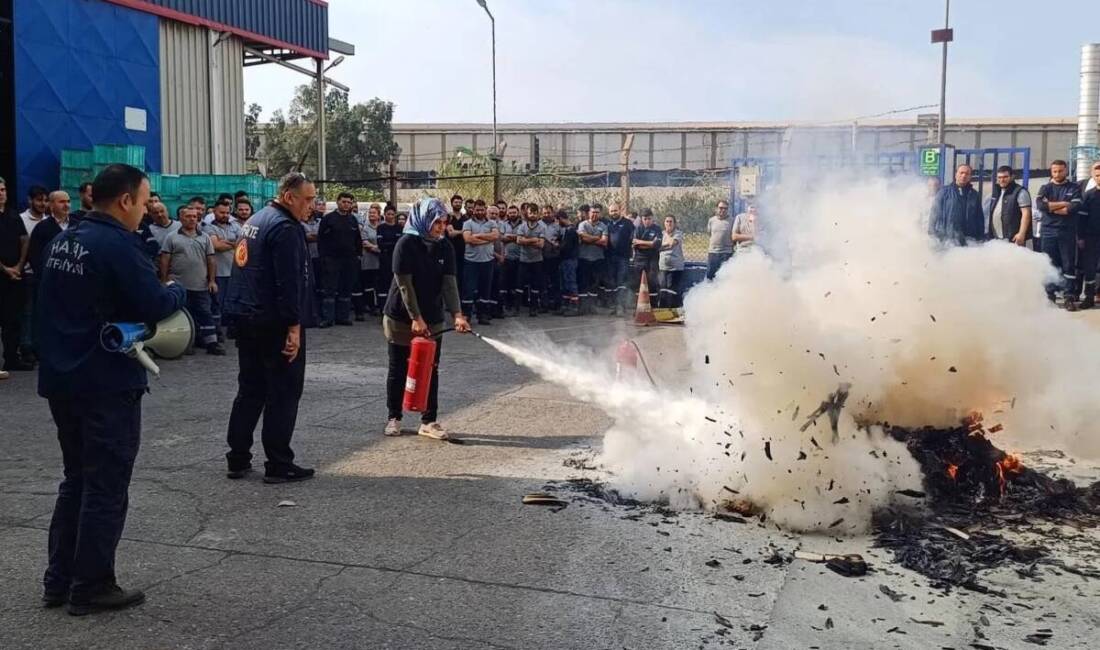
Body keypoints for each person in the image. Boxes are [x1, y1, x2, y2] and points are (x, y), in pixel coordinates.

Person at [36, 163, 187, 616]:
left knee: (76, 479)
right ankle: (92, 585)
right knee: (106, 485)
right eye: (143, 202)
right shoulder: (117, 244)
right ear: (124, 201)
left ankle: (58, 581)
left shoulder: (66, 239)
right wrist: (177, 289)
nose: (144, 212)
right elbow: (156, 304)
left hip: (63, 378)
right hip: (105, 381)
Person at [222, 172, 317, 483]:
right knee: (283, 392)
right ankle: (278, 462)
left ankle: (237, 457)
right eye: (307, 199)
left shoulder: (258, 219)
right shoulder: (286, 229)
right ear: (289, 197)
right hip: (273, 323)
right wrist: (294, 327)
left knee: (250, 390)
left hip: (247, 319)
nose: (311, 206)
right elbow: (289, 283)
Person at [382, 198, 471, 439]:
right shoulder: (405, 244)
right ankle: (394, 417)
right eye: (436, 222)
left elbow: (449, 285)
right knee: (398, 367)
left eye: (444, 222)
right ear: (424, 220)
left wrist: (457, 315)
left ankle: (429, 421)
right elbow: (404, 286)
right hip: (401, 316)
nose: (441, 227)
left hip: (432, 316)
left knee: (431, 368)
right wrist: (416, 318)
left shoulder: (445, 247)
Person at [159, 207, 224, 355]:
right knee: (183, 316)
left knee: (205, 313)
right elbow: (164, 259)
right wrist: (164, 279)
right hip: (178, 286)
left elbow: (211, 260)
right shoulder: (171, 237)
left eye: (195, 216)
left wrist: (212, 281)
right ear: (181, 219)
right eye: (188, 216)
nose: (192, 219)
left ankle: (212, 343)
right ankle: (187, 344)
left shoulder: (205, 237)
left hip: (200, 285)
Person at [1036, 160, 1084, 308]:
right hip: (1048, 232)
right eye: (1054, 171)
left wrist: (1051, 207)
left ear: (1066, 171)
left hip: (1067, 232)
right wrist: (1064, 203)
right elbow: (1040, 205)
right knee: (1050, 264)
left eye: (1060, 171)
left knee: (1068, 264)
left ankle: (1069, 296)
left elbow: (1073, 207)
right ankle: (1050, 295)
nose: (1057, 174)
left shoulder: (1074, 188)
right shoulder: (1045, 188)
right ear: (1051, 171)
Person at [0, 176, 32, 372]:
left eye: (3, 189)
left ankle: (12, 358)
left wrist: (19, 266)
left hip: (15, 276)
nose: (1, 193)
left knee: (13, 320)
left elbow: (24, 240)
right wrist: (5, 268)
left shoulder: (13, 216)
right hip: (2, 274)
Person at [317, 192, 362, 328]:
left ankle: (343, 317)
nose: (346, 204)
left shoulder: (353, 220)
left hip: (349, 260)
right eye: (344, 201)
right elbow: (321, 240)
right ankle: (328, 318)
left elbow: (357, 239)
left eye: (349, 202)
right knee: (329, 289)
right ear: (337, 202)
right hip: (331, 259)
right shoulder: (328, 219)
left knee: (346, 288)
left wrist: (358, 255)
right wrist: (323, 257)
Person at [203, 199, 243, 341]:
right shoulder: (208, 228)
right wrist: (235, 243)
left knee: (235, 303)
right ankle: (218, 332)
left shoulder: (235, 225)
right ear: (214, 212)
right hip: (218, 272)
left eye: (227, 212)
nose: (225, 215)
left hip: (235, 271)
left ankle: (233, 330)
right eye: (222, 212)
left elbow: (245, 242)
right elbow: (216, 246)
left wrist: (226, 242)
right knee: (217, 304)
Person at [461, 200, 499, 324]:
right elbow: (468, 239)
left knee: (485, 289)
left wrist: (477, 236)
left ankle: (482, 314)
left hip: (487, 261)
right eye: (477, 209)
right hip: (471, 261)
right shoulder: (467, 223)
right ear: (474, 210)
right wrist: (486, 239)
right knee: (469, 289)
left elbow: (495, 236)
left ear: (485, 209)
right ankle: (466, 315)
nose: (480, 212)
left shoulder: (492, 223)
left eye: (482, 210)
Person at [929, 164, 987, 245]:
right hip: (948, 238)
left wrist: (980, 237)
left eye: (967, 174)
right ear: (956, 174)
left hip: (969, 239)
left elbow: (979, 217)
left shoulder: (974, 194)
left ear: (970, 177)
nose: (964, 176)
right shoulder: (944, 192)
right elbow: (934, 213)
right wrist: (932, 234)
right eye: (961, 173)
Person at [28, 191, 78, 277]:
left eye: (68, 201)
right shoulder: (42, 227)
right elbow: (34, 256)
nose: (66, 205)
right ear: (51, 205)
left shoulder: (78, 225)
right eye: (62, 202)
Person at [984, 166, 1032, 245]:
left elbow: (1026, 213)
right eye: (999, 177)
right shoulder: (996, 192)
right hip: (996, 238)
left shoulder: (1020, 192)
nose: (1002, 180)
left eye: (1005, 177)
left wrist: (1021, 233)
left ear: (1012, 177)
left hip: (1013, 238)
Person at [515, 205, 547, 316]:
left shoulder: (542, 227)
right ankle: (516, 308)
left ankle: (533, 308)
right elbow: (518, 241)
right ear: (526, 214)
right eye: (530, 213)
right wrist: (534, 239)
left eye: (535, 213)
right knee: (519, 284)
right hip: (523, 260)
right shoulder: (522, 226)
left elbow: (541, 244)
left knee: (535, 285)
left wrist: (526, 240)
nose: (532, 215)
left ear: (538, 214)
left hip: (537, 261)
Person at [577, 203, 608, 315]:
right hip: (584, 258)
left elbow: (604, 241)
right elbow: (582, 237)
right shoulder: (582, 224)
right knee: (583, 282)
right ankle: (583, 307)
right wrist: (597, 238)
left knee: (594, 283)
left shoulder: (603, 226)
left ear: (600, 214)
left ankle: (592, 306)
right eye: (593, 212)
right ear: (588, 213)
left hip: (598, 258)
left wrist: (589, 238)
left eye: (597, 212)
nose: (594, 214)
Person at [1077, 162, 1100, 309]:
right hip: (1091, 237)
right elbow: (1081, 218)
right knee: (1090, 268)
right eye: (1097, 175)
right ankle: (1089, 297)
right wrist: (1080, 237)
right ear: (1093, 176)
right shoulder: (1088, 196)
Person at [376, 202, 403, 312]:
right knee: (384, 284)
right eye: (388, 214)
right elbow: (381, 244)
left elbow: (400, 244)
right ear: (384, 214)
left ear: (395, 215)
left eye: (392, 214)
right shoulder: (381, 228)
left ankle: (396, 309)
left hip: (396, 259)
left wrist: (390, 244)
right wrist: (392, 244)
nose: (390, 216)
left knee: (397, 284)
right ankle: (383, 309)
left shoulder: (399, 228)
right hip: (384, 259)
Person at [631, 209, 662, 301]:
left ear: (652, 218)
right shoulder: (638, 229)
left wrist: (641, 243)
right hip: (639, 260)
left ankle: (653, 305)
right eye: (645, 219)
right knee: (638, 282)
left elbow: (656, 244)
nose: (647, 221)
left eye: (649, 219)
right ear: (641, 219)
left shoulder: (657, 229)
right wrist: (650, 243)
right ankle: (638, 306)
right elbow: (634, 244)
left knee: (652, 282)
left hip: (652, 260)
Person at [356, 203, 382, 317]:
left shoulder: (383, 227)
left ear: (379, 215)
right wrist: (381, 250)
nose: (371, 215)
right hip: (369, 261)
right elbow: (365, 243)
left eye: (374, 213)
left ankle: (380, 306)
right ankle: (371, 306)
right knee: (369, 285)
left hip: (381, 262)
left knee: (380, 285)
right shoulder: (364, 228)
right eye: (370, 213)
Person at [499, 204, 523, 316]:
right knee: (505, 282)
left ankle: (516, 307)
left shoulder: (523, 224)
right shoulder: (504, 224)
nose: (512, 214)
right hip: (507, 257)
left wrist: (510, 237)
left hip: (520, 258)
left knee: (517, 283)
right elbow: (502, 238)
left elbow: (523, 238)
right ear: (508, 213)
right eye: (511, 212)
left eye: (514, 212)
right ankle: (506, 306)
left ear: (518, 213)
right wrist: (517, 237)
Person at [658, 215, 686, 308]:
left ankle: (673, 311)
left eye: (671, 222)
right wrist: (658, 246)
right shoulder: (661, 234)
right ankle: (663, 311)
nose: (669, 223)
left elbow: (672, 243)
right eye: (667, 221)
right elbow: (656, 246)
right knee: (663, 289)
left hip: (676, 267)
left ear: (674, 224)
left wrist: (660, 246)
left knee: (672, 290)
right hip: (663, 267)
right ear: (664, 223)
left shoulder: (678, 233)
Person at [556, 209, 580, 316]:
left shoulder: (571, 231)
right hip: (564, 260)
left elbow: (566, 247)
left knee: (570, 282)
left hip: (570, 260)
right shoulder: (566, 230)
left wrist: (557, 245)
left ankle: (574, 307)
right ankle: (565, 305)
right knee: (565, 283)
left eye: (557, 221)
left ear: (560, 219)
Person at [540, 204, 562, 312]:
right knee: (543, 281)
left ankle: (556, 304)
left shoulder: (558, 225)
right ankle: (544, 304)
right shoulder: (538, 224)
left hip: (554, 257)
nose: (546, 215)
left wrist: (557, 244)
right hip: (541, 257)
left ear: (552, 213)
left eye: (548, 212)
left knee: (555, 281)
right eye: (544, 213)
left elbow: (561, 239)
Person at [705, 200, 734, 280]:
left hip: (726, 253)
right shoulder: (711, 220)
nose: (723, 210)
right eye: (721, 208)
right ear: (716, 209)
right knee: (710, 276)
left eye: (725, 208)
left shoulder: (732, 220)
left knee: (725, 277)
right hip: (713, 253)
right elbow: (710, 233)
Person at [446, 195, 468, 295]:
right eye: (456, 202)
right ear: (452, 203)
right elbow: (451, 234)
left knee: (463, 275)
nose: (458, 204)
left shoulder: (465, 218)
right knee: (451, 275)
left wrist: (458, 231)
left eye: (459, 202)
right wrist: (464, 231)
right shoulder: (448, 217)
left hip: (464, 251)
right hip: (451, 250)